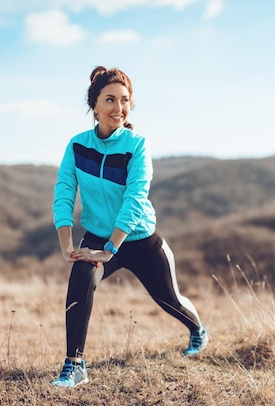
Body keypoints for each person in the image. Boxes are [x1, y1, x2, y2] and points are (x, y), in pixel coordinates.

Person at [50, 66, 208, 388]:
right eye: (110, 100)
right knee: (81, 279)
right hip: (96, 237)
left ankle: (198, 331)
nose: (118, 108)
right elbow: (64, 193)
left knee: (169, 300)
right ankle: (75, 364)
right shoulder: (78, 146)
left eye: (125, 100)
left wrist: (111, 249)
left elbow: (136, 199)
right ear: (94, 104)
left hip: (139, 239)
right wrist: (67, 245)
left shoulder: (137, 146)